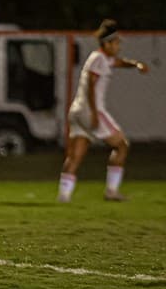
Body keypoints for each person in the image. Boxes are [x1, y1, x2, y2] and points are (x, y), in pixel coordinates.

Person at [57, 19, 148, 202]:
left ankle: (64, 196)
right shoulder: (99, 58)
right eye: (116, 43)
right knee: (121, 145)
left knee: (75, 156)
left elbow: (119, 62)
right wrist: (94, 115)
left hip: (76, 110)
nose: (118, 46)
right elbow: (92, 84)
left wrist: (136, 64)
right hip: (91, 110)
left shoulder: (102, 59)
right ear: (107, 43)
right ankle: (112, 191)